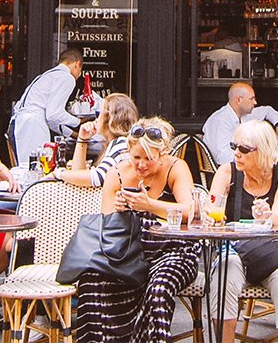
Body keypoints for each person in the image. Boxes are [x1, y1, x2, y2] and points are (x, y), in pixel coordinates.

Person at [74, 117, 198, 343]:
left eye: (148, 159)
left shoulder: (175, 168)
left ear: (163, 154)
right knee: (92, 280)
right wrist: (119, 208)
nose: (141, 164)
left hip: (173, 250)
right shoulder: (118, 172)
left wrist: (150, 205)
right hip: (128, 251)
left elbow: (190, 211)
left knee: (159, 288)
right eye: (136, 157)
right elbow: (106, 221)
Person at [207, 120, 278, 343]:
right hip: (235, 248)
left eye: (243, 149)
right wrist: (209, 211)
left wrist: (267, 216)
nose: (237, 154)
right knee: (225, 271)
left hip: (274, 249)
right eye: (234, 147)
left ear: (263, 150)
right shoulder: (227, 171)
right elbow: (213, 207)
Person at [9, 47, 102, 165]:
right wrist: (78, 122)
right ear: (77, 64)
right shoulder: (66, 78)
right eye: (80, 70)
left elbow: (52, 120)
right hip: (33, 126)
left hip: (21, 123)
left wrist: (73, 134)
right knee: (35, 169)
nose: (79, 75)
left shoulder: (47, 75)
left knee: (27, 168)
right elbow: (54, 114)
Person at [53, 92, 138, 188]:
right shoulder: (119, 143)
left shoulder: (121, 144)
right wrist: (82, 139)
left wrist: (58, 173)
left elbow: (97, 178)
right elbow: (78, 177)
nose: (95, 119)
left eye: (98, 114)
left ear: (108, 118)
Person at [203, 81, 278, 165]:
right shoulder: (220, 121)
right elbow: (223, 158)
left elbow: (268, 111)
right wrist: (254, 158)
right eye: (251, 99)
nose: (255, 102)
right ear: (239, 100)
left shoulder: (244, 114)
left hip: (242, 167)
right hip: (228, 173)